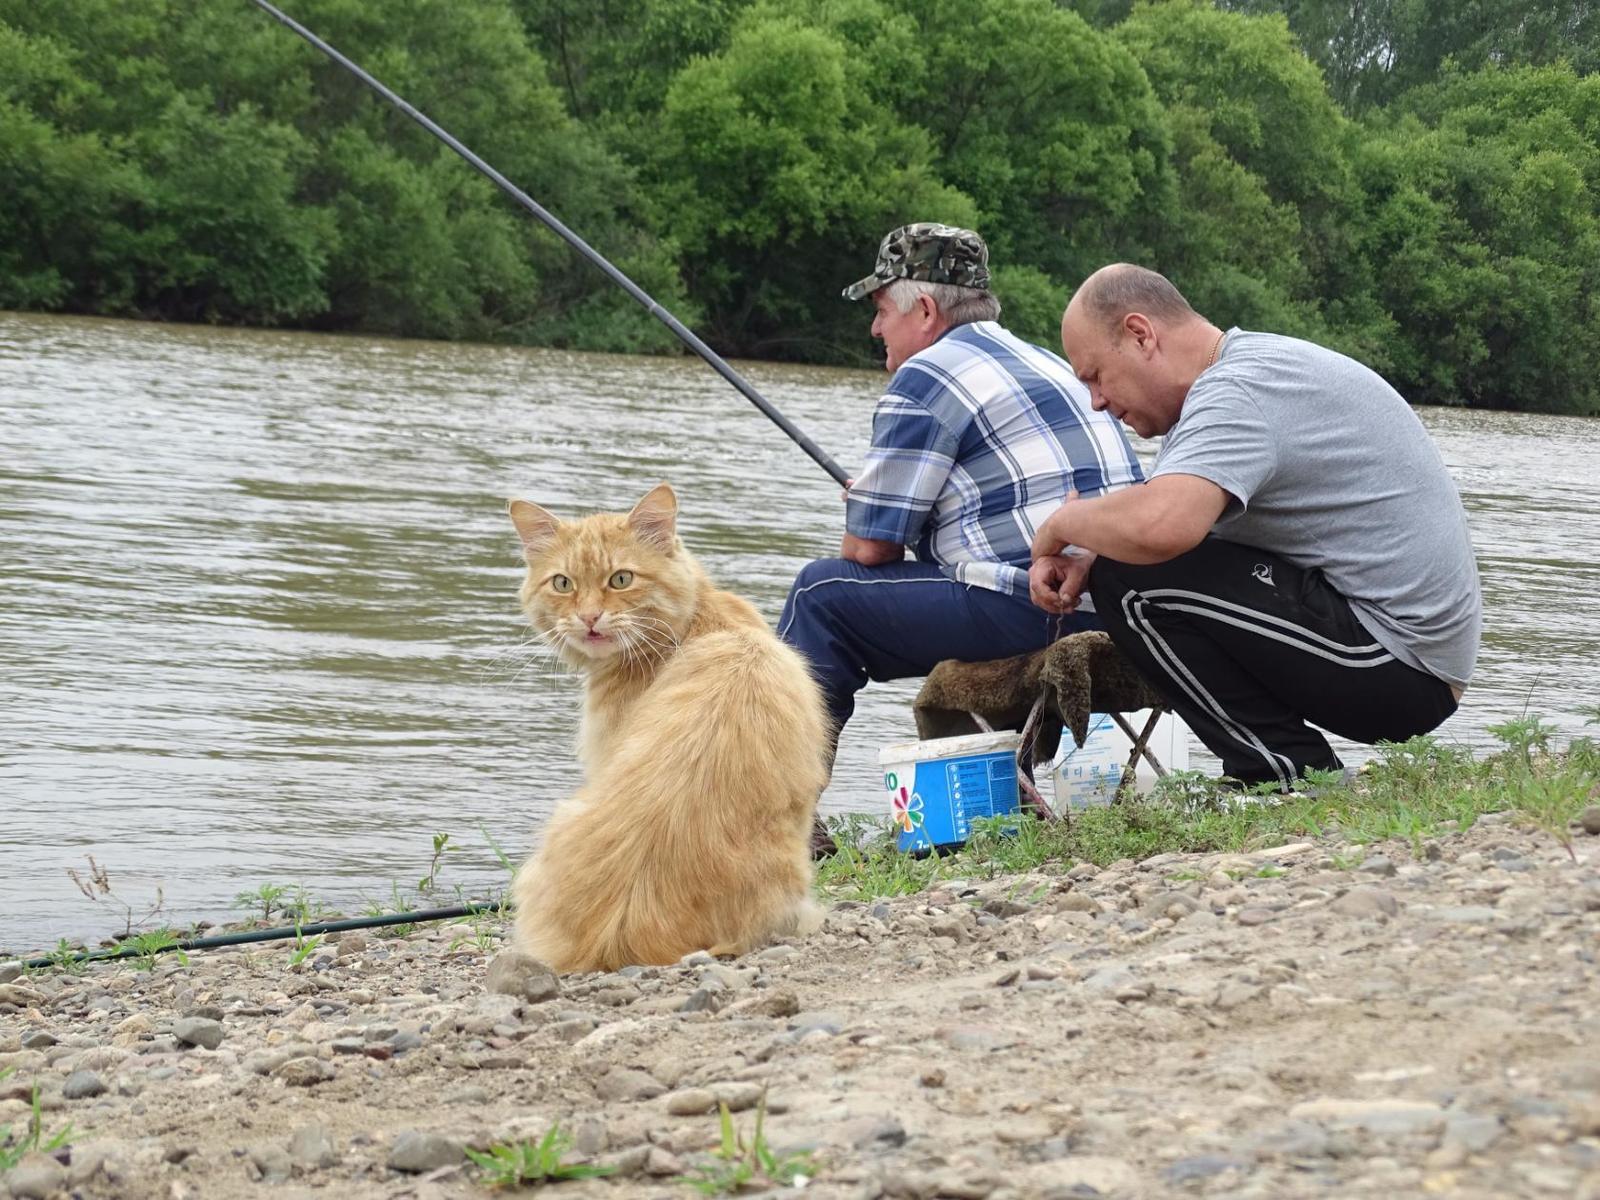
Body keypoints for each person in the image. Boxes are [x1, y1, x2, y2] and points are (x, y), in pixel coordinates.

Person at [1029, 263, 1481, 789]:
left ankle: (1282, 776)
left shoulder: (1238, 391)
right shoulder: (1247, 374)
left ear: (1140, 334)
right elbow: (1190, 534)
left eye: (1094, 376)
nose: (1097, 401)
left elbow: (1164, 527)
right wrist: (1091, 557)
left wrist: (1062, 523)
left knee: (1128, 583)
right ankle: (1286, 770)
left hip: (1397, 664)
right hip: (1406, 660)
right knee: (1120, 566)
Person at [777, 224, 1144, 849]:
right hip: (1120, 605)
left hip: (1038, 602)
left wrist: (869, 507)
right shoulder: (1048, 362)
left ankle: (772, 813)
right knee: (858, 592)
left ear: (923, 309)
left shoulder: (927, 377)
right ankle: (989, 802)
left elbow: (868, 555)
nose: (875, 330)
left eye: (879, 310)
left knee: (822, 596)